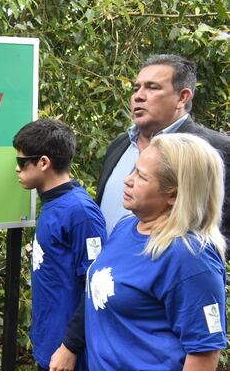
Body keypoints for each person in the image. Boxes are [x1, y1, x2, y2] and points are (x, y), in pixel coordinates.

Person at [86, 133, 227, 371]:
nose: (129, 179)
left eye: (142, 176)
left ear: (174, 195)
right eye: (133, 169)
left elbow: (205, 350)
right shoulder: (127, 228)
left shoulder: (188, 259)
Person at [14, 119, 106, 371]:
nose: (17, 172)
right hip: (49, 343)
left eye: (21, 164)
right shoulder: (53, 205)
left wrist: (71, 346)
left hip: (68, 352)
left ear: (44, 162)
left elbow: (96, 286)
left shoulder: (81, 213)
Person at [97, 54, 230, 237]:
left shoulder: (214, 150)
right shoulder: (119, 146)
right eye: (136, 89)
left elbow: (223, 230)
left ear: (182, 97)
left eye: (152, 88)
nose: (138, 96)